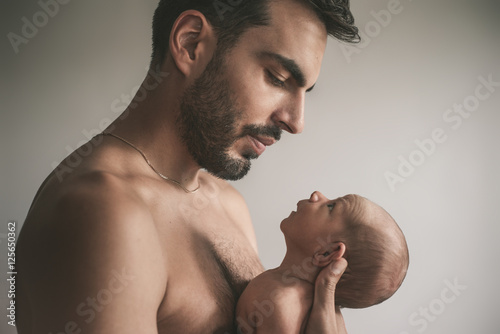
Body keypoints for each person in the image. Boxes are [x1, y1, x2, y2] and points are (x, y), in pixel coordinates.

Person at [16, 0, 359, 333]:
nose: (296, 122)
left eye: (304, 92)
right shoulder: (103, 211)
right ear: (191, 43)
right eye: (278, 77)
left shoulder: (228, 204)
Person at [236, 191, 409, 333]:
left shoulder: (282, 301)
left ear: (327, 252)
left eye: (330, 206)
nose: (316, 195)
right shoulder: (328, 315)